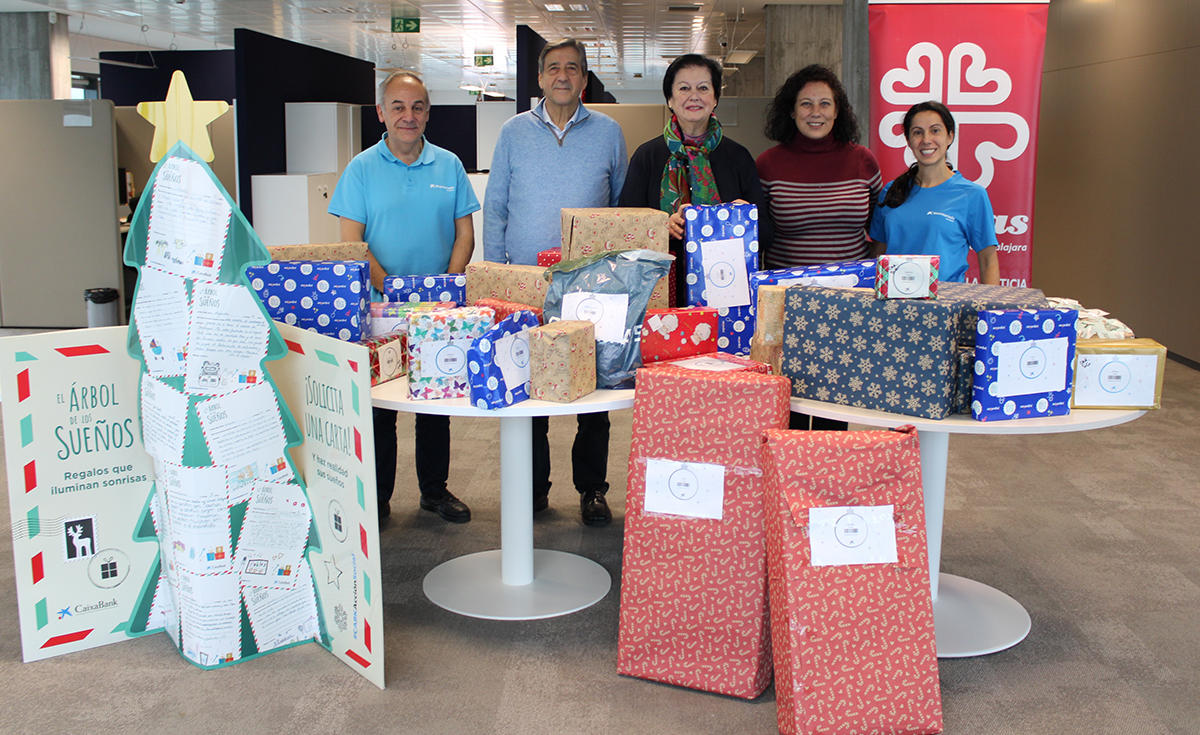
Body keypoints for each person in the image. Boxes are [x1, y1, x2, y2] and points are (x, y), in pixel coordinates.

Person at [483, 39, 627, 526]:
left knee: (595, 392)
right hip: (527, 282)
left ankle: (592, 490)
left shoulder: (609, 132)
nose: (562, 76)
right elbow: (496, 206)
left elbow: (622, 207)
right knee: (529, 384)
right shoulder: (513, 132)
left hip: (593, 286)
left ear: (584, 79)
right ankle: (533, 490)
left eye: (572, 69)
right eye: (553, 68)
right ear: (540, 79)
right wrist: (496, 273)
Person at [328, 71, 479, 524]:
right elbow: (352, 241)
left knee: (436, 401)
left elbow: (464, 233)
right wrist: (390, 288)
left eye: (417, 107)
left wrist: (447, 292)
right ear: (381, 112)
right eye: (398, 106)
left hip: (440, 309)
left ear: (428, 113)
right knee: (383, 405)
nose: (408, 116)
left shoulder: (449, 165)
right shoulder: (360, 169)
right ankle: (376, 498)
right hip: (378, 307)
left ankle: (434, 491)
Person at [619, 54, 770, 301]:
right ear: (670, 98)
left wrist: (744, 220)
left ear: (715, 98)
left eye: (703, 88)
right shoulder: (648, 156)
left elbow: (766, 234)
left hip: (726, 291)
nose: (694, 96)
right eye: (684, 88)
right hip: (660, 290)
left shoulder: (738, 157)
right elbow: (625, 228)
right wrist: (663, 227)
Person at [756, 64, 880, 269]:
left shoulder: (863, 160)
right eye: (806, 104)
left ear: (837, 110)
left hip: (853, 291)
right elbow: (759, 236)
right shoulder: (767, 164)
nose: (816, 112)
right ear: (792, 111)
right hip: (788, 292)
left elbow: (879, 231)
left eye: (825, 104)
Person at [869, 100, 1000, 285]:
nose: (926, 139)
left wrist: (989, 310)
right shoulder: (891, 191)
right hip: (893, 306)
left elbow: (988, 262)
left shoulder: (972, 195)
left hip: (947, 307)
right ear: (908, 140)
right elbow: (877, 254)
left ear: (950, 136)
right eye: (917, 132)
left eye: (935, 130)